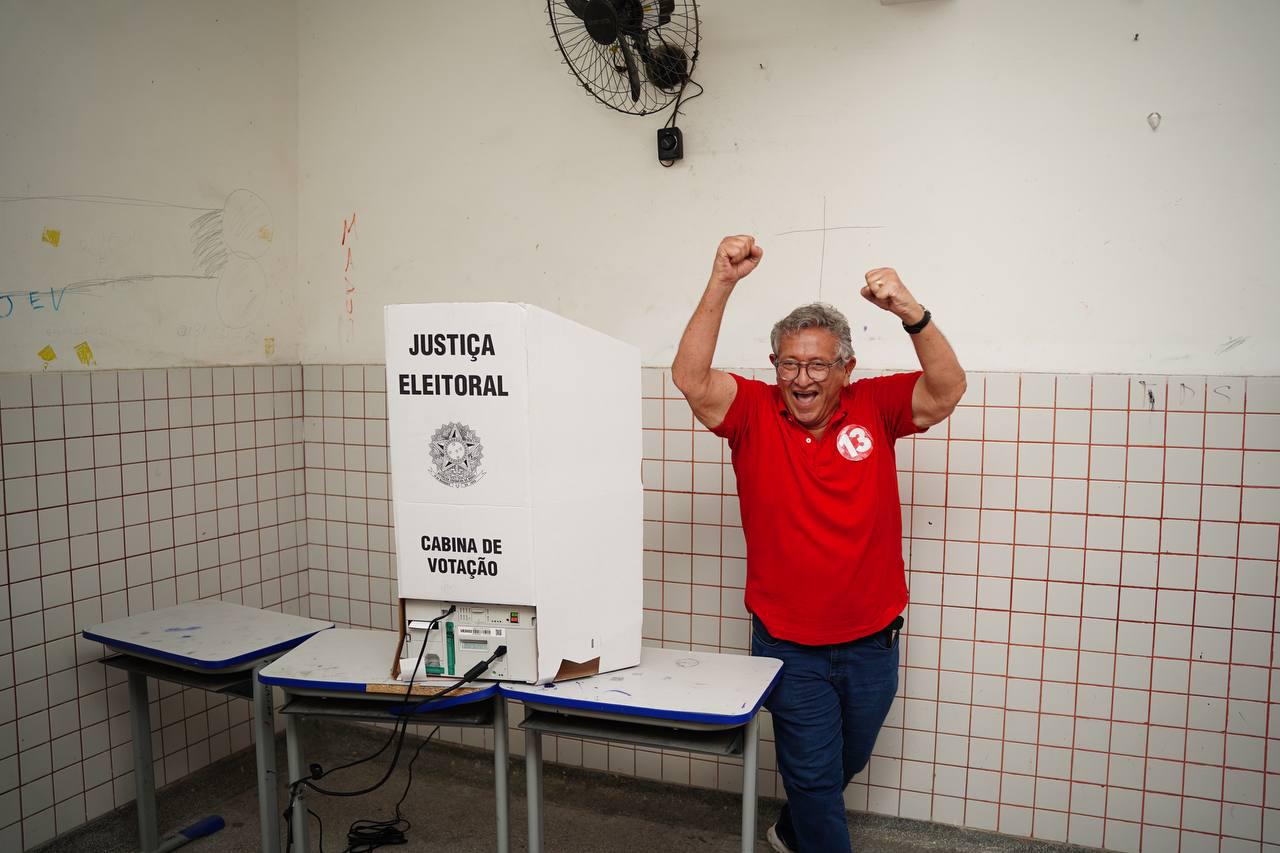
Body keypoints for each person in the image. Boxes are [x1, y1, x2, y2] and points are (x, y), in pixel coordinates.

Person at [671, 235, 966, 852]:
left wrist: (912, 312)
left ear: (845, 370)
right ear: (775, 366)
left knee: (833, 771)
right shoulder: (752, 411)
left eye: (816, 365)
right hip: (789, 647)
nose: (801, 379)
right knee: (812, 775)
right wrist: (722, 279)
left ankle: (789, 829)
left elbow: (946, 389)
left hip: (871, 643)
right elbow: (690, 377)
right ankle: (809, 827)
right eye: (788, 364)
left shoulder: (874, 406)